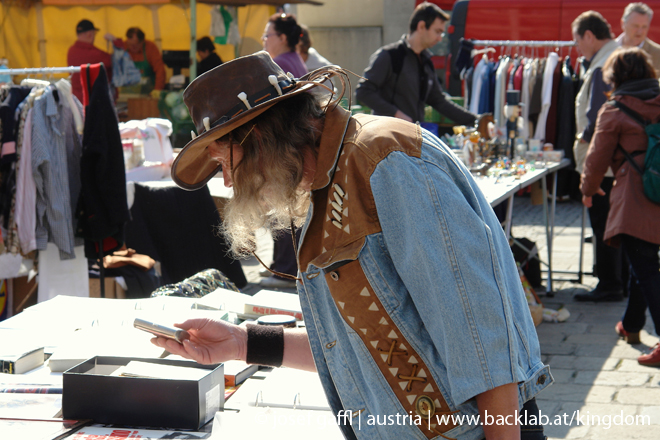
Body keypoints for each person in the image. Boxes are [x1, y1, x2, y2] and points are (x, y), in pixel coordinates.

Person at [156, 51, 553, 439]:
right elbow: (355, 347)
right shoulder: (323, 191)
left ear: (258, 135)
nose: (227, 182)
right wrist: (241, 342)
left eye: (225, 162)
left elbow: (481, 336)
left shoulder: (385, 159)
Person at [581, 47, 660, 367]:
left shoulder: (614, 110)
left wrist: (588, 189)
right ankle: (631, 325)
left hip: (636, 197)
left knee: (645, 271)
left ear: (616, 77)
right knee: (646, 268)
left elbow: (597, 156)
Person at [571, 11, 626, 303]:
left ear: (589, 35)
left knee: (603, 223)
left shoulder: (602, 64)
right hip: (617, 160)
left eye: (578, 40)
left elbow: (597, 117)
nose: (577, 47)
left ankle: (609, 284)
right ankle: (620, 281)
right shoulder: (616, 55)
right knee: (614, 224)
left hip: (602, 163)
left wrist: (583, 138)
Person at [355, 2, 476, 125]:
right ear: (422, 26)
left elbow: (440, 102)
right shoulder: (390, 55)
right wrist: (396, 114)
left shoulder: (426, 62)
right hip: (386, 136)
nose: (440, 38)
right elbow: (363, 92)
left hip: (412, 137)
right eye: (438, 31)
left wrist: (475, 120)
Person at [259, 13, 308, 288]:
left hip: (288, 147)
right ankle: (283, 267)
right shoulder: (293, 61)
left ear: (283, 38)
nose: (264, 40)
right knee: (287, 209)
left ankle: (286, 270)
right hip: (295, 146)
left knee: (286, 210)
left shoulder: (280, 64)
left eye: (268, 35)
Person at [105, 27, 166, 94]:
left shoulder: (150, 48)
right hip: (126, 92)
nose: (132, 48)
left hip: (149, 92)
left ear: (142, 41)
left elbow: (160, 71)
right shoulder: (123, 47)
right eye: (130, 45)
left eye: (135, 45)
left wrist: (157, 90)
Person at [67, 19, 112, 102]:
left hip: (76, 99)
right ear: (89, 34)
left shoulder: (71, 51)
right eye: (94, 33)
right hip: (93, 101)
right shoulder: (95, 53)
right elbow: (114, 62)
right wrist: (116, 42)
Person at [618, 3, 660, 75]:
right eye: (635, 26)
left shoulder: (657, 54)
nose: (640, 31)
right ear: (623, 24)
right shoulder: (608, 49)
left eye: (644, 27)